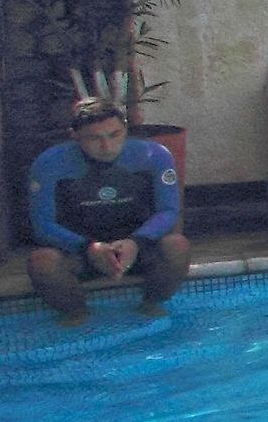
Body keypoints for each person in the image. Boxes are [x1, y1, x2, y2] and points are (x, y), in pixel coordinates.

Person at [23, 96, 189, 321]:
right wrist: (88, 248)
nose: (107, 147)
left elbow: (169, 210)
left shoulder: (154, 156)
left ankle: (150, 307)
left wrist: (135, 243)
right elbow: (43, 226)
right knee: (42, 261)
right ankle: (77, 315)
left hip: (138, 247)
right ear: (75, 137)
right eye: (94, 138)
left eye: (115, 135)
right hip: (79, 252)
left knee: (177, 246)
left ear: (125, 129)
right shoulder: (49, 164)